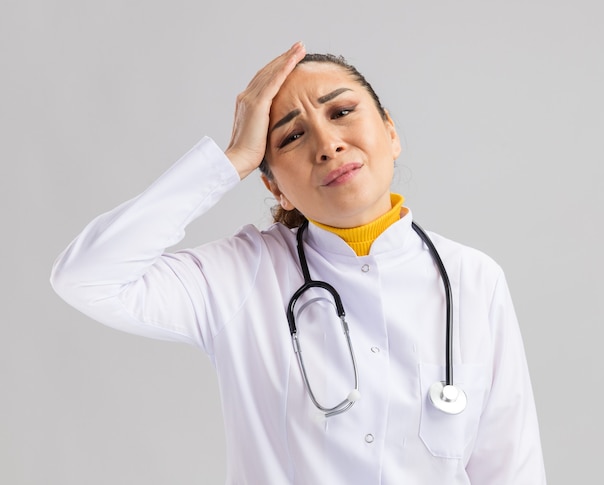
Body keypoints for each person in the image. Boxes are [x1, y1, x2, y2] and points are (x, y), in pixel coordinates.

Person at [50, 42, 546, 484]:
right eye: (291, 137)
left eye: (343, 111)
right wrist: (231, 161)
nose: (327, 145)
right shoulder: (242, 276)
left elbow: (511, 468)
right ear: (272, 185)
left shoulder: (473, 279)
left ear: (390, 131)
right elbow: (87, 277)